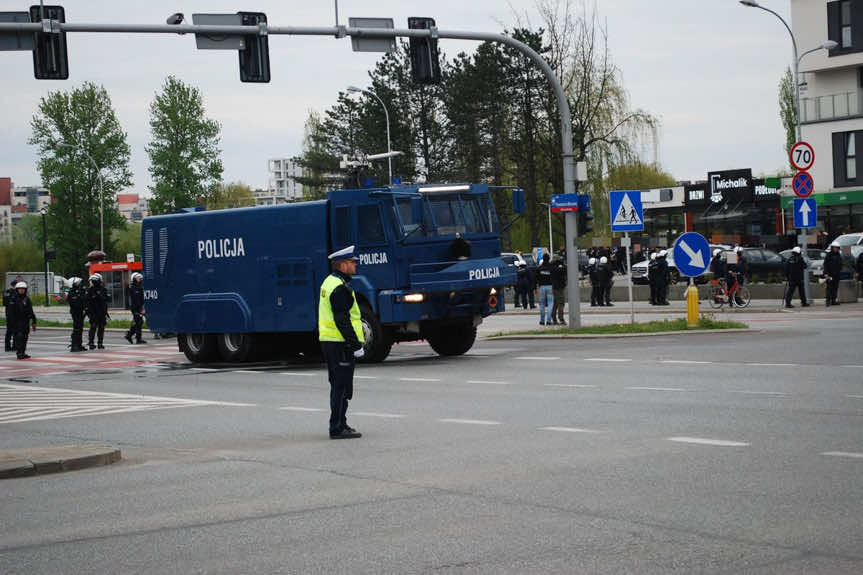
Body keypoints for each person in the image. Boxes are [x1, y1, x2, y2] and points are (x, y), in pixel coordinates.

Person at [319, 245, 365, 439]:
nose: (355, 265)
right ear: (343, 265)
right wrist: (355, 344)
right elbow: (342, 320)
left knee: (339, 384)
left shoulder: (330, 282)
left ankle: (341, 422)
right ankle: (337, 427)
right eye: (352, 262)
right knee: (341, 385)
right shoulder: (339, 288)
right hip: (339, 343)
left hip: (332, 341)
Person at [8, 282, 36, 360]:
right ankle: (19, 353)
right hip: (17, 321)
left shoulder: (27, 299)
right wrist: (11, 323)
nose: (21, 290)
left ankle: (23, 352)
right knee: (19, 337)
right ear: (17, 290)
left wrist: (34, 321)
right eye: (20, 289)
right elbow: (10, 312)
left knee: (25, 337)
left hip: (25, 321)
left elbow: (31, 311)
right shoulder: (13, 299)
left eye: (23, 289)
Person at [86, 273, 109, 349]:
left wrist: (100, 296)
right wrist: (88, 311)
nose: (94, 282)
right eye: (93, 281)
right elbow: (87, 301)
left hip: (102, 312)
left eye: (95, 281)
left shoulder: (103, 289)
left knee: (101, 327)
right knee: (93, 327)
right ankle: (91, 343)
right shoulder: (90, 290)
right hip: (93, 312)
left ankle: (100, 343)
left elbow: (107, 299)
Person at [125, 272, 146, 344]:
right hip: (135, 308)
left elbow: (141, 299)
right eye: (138, 278)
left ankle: (129, 335)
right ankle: (137, 339)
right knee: (139, 322)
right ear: (134, 278)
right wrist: (141, 309)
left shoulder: (139, 286)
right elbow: (136, 300)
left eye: (140, 278)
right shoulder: (133, 288)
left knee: (139, 322)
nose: (140, 279)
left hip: (138, 307)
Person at [66, 277, 87, 352]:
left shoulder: (79, 292)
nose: (79, 285)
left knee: (80, 328)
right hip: (75, 312)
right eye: (77, 283)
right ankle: (74, 346)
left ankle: (79, 345)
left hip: (80, 312)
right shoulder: (71, 293)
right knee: (76, 328)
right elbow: (75, 303)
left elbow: (83, 301)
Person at [534, 253, 555, 324]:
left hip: (542, 287)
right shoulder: (552, 268)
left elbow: (535, 279)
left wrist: (535, 288)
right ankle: (549, 320)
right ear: (549, 259)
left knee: (542, 304)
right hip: (550, 286)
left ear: (543, 259)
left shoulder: (539, 268)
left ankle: (542, 320)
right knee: (550, 303)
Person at [823, 242, 843, 307]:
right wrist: (826, 273)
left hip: (836, 274)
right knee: (829, 288)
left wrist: (840, 269)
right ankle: (828, 301)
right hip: (829, 274)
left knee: (835, 288)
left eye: (837, 248)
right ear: (832, 248)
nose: (836, 249)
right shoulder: (828, 255)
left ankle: (833, 300)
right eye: (835, 248)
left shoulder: (838, 255)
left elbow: (840, 263)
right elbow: (825, 264)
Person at [550, 257, 567, 325]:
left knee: (555, 304)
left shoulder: (552, 269)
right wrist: (562, 264)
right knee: (561, 303)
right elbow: (565, 269)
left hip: (554, 288)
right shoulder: (560, 270)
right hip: (559, 288)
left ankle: (554, 318)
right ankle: (561, 319)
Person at [3, 280, 17, 352]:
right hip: (13, 314)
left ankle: (8, 347)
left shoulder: (7, 292)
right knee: (14, 331)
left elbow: (5, 303)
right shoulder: (14, 292)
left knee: (10, 331)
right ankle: (14, 346)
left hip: (9, 314)